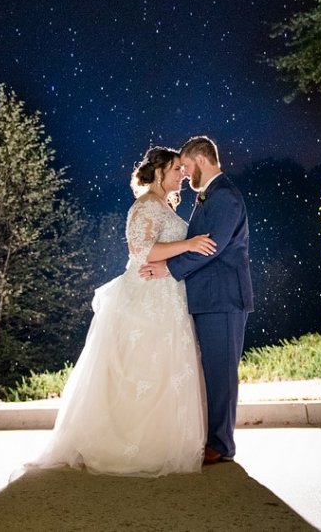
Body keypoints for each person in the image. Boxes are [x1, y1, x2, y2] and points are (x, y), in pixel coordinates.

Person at [28, 146, 214, 477]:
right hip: (145, 298)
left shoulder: (165, 207)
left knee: (169, 369)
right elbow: (141, 250)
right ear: (158, 173)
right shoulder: (143, 207)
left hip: (168, 295)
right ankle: (127, 446)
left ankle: (164, 443)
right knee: (141, 369)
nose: (181, 176)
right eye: (175, 170)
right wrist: (188, 244)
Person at [141, 135, 253, 465]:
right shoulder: (210, 196)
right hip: (208, 297)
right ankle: (213, 438)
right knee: (211, 371)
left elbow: (210, 247)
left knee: (221, 372)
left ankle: (221, 444)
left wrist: (167, 269)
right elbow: (198, 244)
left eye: (187, 167)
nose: (185, 175)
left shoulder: (225, 197)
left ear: (202, 160)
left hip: (223, 298)